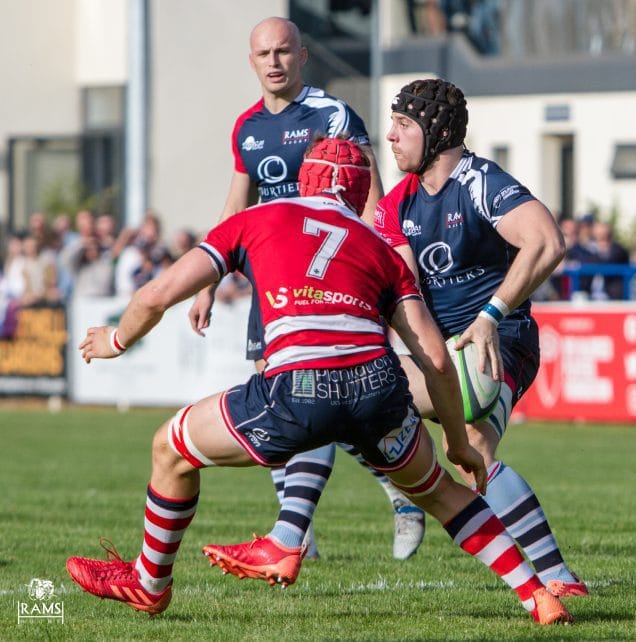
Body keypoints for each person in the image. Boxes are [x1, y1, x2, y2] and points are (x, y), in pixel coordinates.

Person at [64, 137, 573, 625]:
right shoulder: (379, 248)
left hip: (300, 388)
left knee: (170, 447)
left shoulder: (256, 218)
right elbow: (437, 360)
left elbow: (156, 295)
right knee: (440, 491)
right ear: (360, 192)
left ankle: (150, 584)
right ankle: (537, 594)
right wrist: (458, 444)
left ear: (302, 179)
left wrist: (116, 339)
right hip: (378, 390)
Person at [213, 78, 589, 598]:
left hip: (500, 340)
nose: (389, 136)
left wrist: (490, 314)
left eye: (403, 125)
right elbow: (400, 293)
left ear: (436, 133)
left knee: (472, 447)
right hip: (440, 352)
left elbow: (546, 241)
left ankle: (558, 579)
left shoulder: (480, 181)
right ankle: (302, 532)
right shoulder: (395, 206)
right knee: (340, 399)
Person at [187, 16, 427, 562]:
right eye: (264, 54)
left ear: (303, 56)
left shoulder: (331, 115)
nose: (274, 62)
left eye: (283, 51)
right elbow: (236, 208)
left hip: (330, 283)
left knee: (330, 400)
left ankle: (397, 494)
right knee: (283, 403)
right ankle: (300, 537)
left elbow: (370, 199)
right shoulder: (246, 127)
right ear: (252, 61)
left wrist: (382, 275)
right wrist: (206, 285)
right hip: (272, 285)